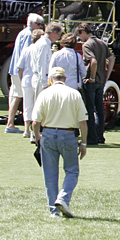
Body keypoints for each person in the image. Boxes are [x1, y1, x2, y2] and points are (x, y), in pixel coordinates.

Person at [31, 67, 88, 217]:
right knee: (72, 171)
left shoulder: (44, 94)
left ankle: (54, 210)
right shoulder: (74, 93)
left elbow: (35, 122)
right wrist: (84, 143)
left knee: (50, 174)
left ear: (51, 79)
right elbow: (83, 122)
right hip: (68, 134)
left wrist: (37, 137)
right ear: (64, 79)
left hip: (48, 133)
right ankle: (63, 198)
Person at [74, 23, 113, 146]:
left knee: (90, 110)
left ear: (83, 32)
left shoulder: (87, 45)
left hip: (92, 81)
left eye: (79, 35)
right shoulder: (102, 43)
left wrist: (91, 77)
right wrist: (107, 75)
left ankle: (92, 137)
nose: (80, 38)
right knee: (100, 110)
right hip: (101, 80)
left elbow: (93, 61)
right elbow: (112, 58)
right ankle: (100, 135)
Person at [5, 13, 43, 134]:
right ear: (31, 23)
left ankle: (10, 123)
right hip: (20, 70)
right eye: (39, 24)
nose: (40, 26)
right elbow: (28, 55)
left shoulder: (23, 32)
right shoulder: (28, 34)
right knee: (17, 96)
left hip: (16, 69)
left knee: (15, 95)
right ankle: (10, 124)